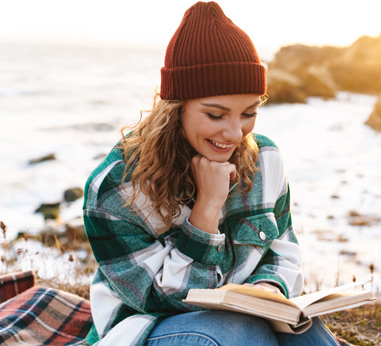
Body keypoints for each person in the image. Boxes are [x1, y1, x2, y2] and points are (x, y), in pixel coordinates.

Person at [83, 2, 352, 345]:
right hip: (143, 327)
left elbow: (282, 250)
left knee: (309, 336)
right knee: (238, 333)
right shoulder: (116, 189)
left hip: (241, 320)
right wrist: (207, 208)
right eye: (215, 115)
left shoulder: (266, 159)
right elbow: (163, 301)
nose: (235, 133)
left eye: (248, 113)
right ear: (175, 107)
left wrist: (268, 292)